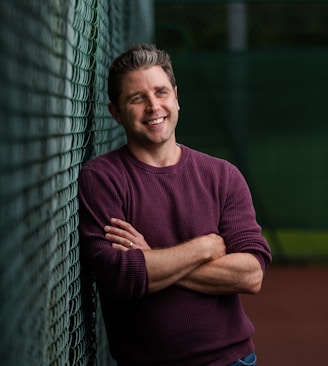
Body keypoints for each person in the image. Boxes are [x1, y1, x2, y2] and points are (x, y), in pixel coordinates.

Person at [78, 44, 272, 366]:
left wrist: (151, 259)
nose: (154, 107)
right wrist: (206, 246)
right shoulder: (102, 178)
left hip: (231, 360)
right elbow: (120, 276)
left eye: (161, 92)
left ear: (176, 97)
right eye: (137, 99)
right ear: (116, 112)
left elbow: (250, 275)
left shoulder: (222, 176)